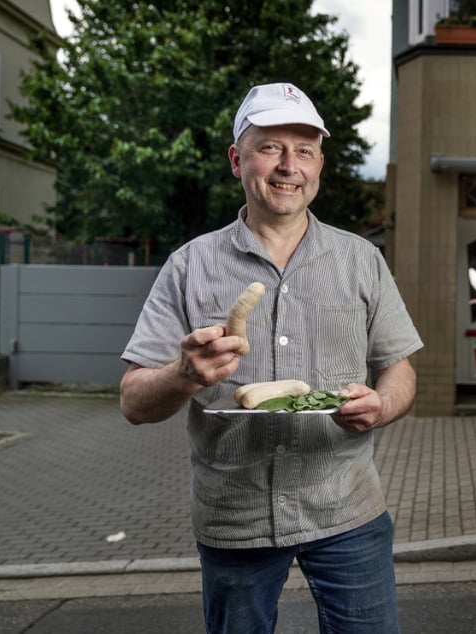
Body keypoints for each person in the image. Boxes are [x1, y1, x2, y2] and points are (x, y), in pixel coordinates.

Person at [119, 82, 423, 633]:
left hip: (347, 508)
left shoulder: (361, 260)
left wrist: (382, 404)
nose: (289, 166)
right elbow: (134, 402)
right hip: (234, 517)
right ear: (238, 159)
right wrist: (184, 374)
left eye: (304, 150)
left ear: (320, 164)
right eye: (270, 148)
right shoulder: (190, 266)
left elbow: (399, 365)